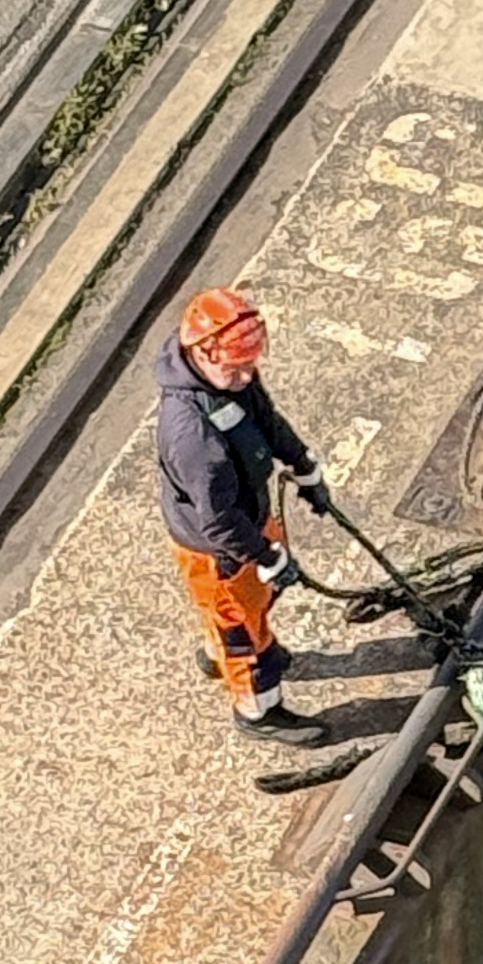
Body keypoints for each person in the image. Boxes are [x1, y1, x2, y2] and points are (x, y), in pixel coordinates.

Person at [156, 287, 336, 740]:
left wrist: (303, 465)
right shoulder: (191, 435)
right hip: (222, 550)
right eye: (235, 367)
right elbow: (217, 522)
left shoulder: (231, 379)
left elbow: (266, 421)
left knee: (255, 601)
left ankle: (217, 650)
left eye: (250, 364)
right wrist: (264, 555)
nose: (246, 375)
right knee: (247, 638)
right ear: (203, 352)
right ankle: (259, 711)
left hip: (248, 521)